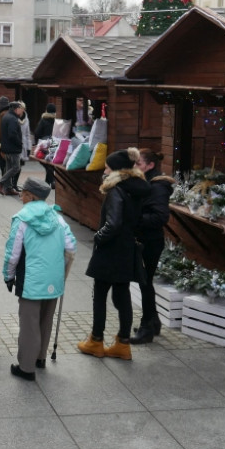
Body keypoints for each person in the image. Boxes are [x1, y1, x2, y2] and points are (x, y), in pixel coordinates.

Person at [77, 149, 151, 361]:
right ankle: (122, 344)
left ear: (117, 170)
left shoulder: (116, 190)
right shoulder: (136, 188)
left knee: (99, 296)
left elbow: (113, 223)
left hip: (111, 250)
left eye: (108, 166)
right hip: (127, 248)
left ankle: (96, 341)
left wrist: (99, 237)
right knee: (122, 295)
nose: (105, 169)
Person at [3, 178, 76, 380]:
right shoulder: (57, 217)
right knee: (46, 318)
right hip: (54, 277)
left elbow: (13, 253)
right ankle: (40, 358)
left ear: (31, 196)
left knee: (29, 322)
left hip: (31, 279)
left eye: (23, 192)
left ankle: (26, 367)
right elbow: (70, 247)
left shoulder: (22, 219)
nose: (20, 195)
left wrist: (8, 276)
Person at [130, 148, 176, 345]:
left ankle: (147, 327)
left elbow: (160, 217)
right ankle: (153, 321)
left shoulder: (157, 186)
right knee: (145, 283)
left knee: (145, 283)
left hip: (149, 241)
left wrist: (133, 218)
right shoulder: (144, 181)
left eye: (138, 163)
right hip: (143, 239)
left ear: (150, 165)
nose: (135, 166)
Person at [0, 102, 25, 196]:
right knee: (16, 167)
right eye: (20, 108)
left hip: (6, 147)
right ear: (16, 109)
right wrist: (19, 143)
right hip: (12, 148)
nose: (22, 111)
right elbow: (12, 134)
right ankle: (0, 182)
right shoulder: (13, 119)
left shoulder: (6, 116)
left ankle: (8, 188)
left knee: (9, 167)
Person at [34, 103, 58, 189]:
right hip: (55, 144)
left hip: (44, 145)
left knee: (47, 164)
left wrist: (37, 143)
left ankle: (51, 181)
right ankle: (48, 182)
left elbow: (37, 132)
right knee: (50, 164)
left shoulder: (43, 120)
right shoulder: (57, 120)